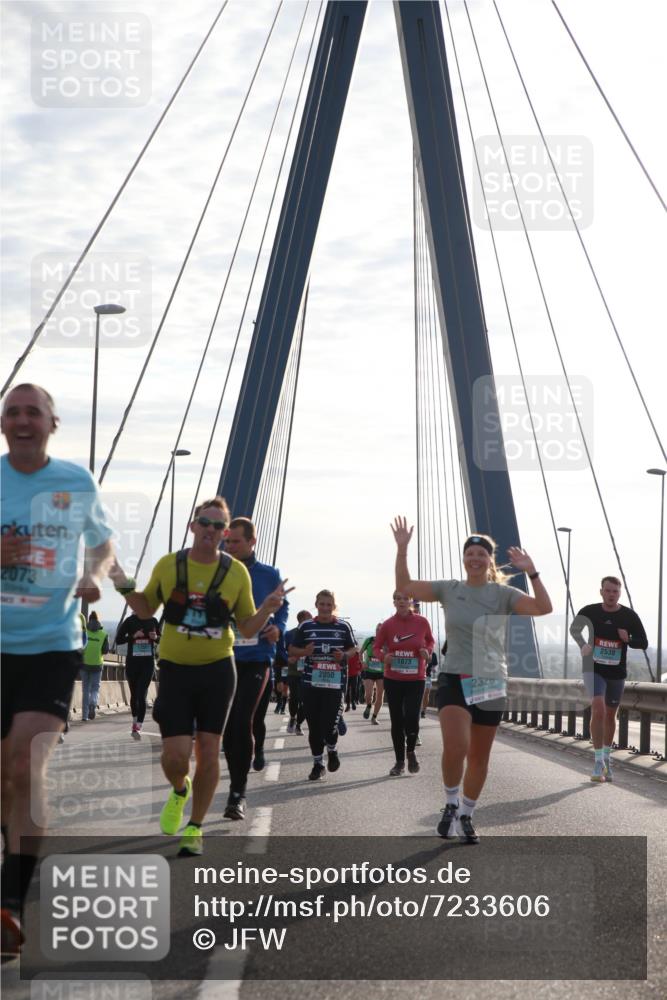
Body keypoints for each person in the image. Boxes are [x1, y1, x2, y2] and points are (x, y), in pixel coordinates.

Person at [109, 497, 290, 857]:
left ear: (224, 534)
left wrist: (268, 610)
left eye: (218, 526)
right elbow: (146, 608)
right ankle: (180, 790)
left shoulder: (235, 573)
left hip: (218, 670)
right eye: (204, 524)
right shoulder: (170, 566)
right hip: (175, 670)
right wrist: (120, 579)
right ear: (193, 527)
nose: (210, 531)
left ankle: (195, 827)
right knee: (175, 756)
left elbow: (246, 626)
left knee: (208, 751)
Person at [0, 384, 114, 955]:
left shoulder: (75, 481)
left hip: (52, 643)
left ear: (53, 422)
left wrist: (94, 573)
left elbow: (103, 544)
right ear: (3, 423)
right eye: (12, 412)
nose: (22, 420)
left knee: (25, 759)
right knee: (3, 775)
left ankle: (11, 902)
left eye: (33, 412)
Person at [391, 518, 552, 844]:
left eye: (482, 554)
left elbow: (543, 608)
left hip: (491, 680)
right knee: (457, 746)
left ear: (489, 560)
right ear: (464, 559)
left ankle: (466, 812)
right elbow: (405, 587)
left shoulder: (503, 594)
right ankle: (450, 804)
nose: (475, 558)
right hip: (454, 676)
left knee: (479, 757)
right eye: (470, 553)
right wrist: (403, 549)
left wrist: (532, 572)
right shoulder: (450, 589)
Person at [221, 517, 289, 821]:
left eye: (235, 541)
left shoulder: (268, 574)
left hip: (257, 658)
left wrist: (279, 628)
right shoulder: (217, 571)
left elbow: (282, 607)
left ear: (252, 542)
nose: (229, 546)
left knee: (243, 719)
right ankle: (240, 771)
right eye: (227, 541)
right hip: (222, 657)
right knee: (226, 728)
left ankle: (238, 794)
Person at [570, 576, 648, 782]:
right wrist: (582, 645)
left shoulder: (629, 616)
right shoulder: (590, 611)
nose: (611, 594)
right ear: (601, 592)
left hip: (616, 672)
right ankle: (597, 762)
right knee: (598, 708)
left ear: (619, 593)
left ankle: (607, 757)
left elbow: (643, 643)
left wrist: (628, 639)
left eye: (615, 591)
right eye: (608, 591)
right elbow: (574, 629)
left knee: (610, 716)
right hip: (593, 668)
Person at [288, 591, 356, 780]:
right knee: (314, 728)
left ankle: (332, 750)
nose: (325, 608)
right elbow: (292, 650)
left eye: (329, 605)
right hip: (310, 685)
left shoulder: (343, 627)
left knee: (329, 726)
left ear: (334, 606)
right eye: (322, 604)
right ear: (316, 605)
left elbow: (353, 649)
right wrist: (304, 651)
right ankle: (318, 764)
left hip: (334, 686)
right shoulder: (306, 626)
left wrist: (343, 655)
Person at [374, 592, 434, 775]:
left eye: (405, 598)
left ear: (410, 601)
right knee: (397, 721)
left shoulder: (422, 622)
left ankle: (411, 751)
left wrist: (427, 651)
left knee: (411, 717)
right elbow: (377, 647)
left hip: (416, 679)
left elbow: (430, 640)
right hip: (393, 679)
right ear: (394, 602)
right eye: (398, 598)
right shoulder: (388, 625)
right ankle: (399, 762)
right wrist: (384, 657)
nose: (401, 601)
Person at [114, 612, 161, 739]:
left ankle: (138, 725)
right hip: (132, 664)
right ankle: (135, 720)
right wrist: (133, 636)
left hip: (147, 664)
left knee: (141, 694)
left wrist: (155, 637)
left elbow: (161, 639)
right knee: (134, 695)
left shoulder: (153, 621)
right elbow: (118, 640)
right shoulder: (129, 621)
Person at [285, 610, 312, 734]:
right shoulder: (290, 634)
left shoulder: (313, 634)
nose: (312, 620)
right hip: (294, 671)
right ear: (301, 620)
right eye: (309, 618)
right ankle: (292, 718)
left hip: (309, 672)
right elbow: (282, 652)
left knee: (306, 701)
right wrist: (288, 658)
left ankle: (299, 724)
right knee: (294, 697)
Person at [80, 611, 109, 721]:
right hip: (97, 664)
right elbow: (106, 651)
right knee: (95, 688)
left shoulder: (84, 632)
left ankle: (84, 716)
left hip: (84, 664)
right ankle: (93, 703)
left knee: (85, 689)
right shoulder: (104, 634)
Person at [360, 624, 384, 724]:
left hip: (381, 672)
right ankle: (369, 705)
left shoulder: (386, 643)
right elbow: (360, 652)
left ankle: (374, 717)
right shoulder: (369, 640)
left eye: (381, 630)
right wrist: (363, 662)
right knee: (368, 695)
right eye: (377, 629)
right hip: (369, 670)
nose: (379, 631)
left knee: (380, 696)